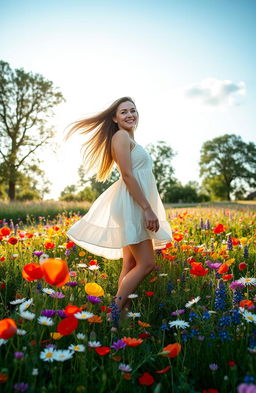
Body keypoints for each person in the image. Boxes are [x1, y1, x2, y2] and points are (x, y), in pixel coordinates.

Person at [65, 96, 172, 320]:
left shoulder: (129, 139)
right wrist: (146, 208)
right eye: (124, 112)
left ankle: (118, 316)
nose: (130, 114)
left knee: (131, 262)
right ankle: (115, 312)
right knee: (147, 263)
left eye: (133, 110)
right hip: (132, 204)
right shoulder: (121, 136)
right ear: (115, 117)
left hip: (133, 203)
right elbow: (127, 175)